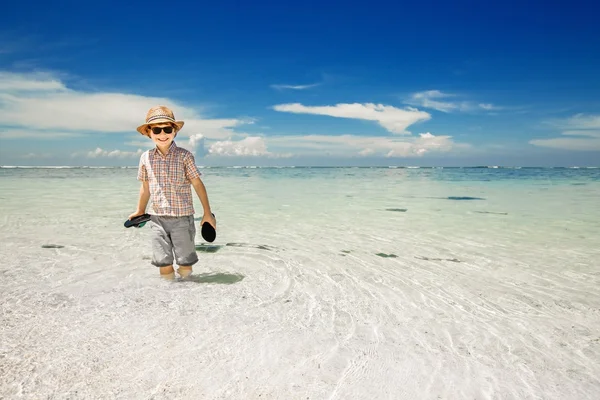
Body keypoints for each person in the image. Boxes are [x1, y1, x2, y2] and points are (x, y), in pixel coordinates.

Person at [128, 105, 216, 280]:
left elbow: (198, 184)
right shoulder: (145, 157)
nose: (162, 134)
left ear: (174, 131)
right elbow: (145, 188)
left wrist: (207, 213)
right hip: (156, 219)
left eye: (167, 129)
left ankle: (187, 290)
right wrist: (140, 210)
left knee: (185, 261)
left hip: (182, 218)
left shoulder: (185, 156)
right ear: (149, 132)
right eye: (157, 129)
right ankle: (168, 295)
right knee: (163, 262)